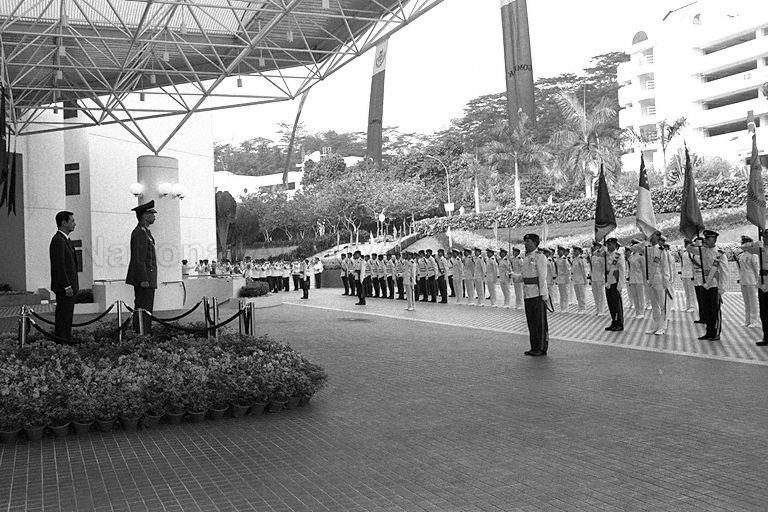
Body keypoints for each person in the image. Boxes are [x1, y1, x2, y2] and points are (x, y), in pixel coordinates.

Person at [509, 233, 549, 356]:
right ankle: (534, 347)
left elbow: (542, 277)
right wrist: (514, 276)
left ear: (535, 243)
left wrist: (543, 294)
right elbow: (524, 277)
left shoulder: (540, 257)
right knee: (531, 322)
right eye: (525, 242)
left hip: (537, 294)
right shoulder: (526, 258)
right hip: (528, 294)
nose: (525, 244)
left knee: (539, 323)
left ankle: (541, 348)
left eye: (528, 242)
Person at [688, 229, 729, 341]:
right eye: (705, 238)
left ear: (714, 239)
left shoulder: (720, 253)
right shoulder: (703, 250)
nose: (705, 240)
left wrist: (722, 288)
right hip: (704, 283)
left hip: (715, 285)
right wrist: (693, 242)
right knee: (706, 309)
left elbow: (725, 272)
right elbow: (689, 248)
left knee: (715, 310)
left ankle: (716, 332)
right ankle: (709, 332)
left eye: (708, 238)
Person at [126, 200, 158, 334]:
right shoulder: (140, 232)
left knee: (147, 309)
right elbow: (139, 258)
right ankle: (141, 335)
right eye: (152, 213)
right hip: (144, 279)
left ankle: (144, 333)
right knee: (143, 308)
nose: (154, 216)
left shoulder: (145, 232)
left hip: (148, 277)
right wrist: (144, 278)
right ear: (144, 215)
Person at [49, 210, 79, 344]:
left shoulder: (66, 240)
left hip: (69, 286)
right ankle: (62, 343)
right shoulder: (58, 240)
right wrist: (66, 286)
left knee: (67, 317)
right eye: (72, 221)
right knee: (63, 317)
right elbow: (59, 266)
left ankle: (66, 341)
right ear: (63, 223)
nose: (74, 224)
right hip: (64, 288)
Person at [740, 233, 768, 345]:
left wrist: (763, 248)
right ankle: (766, 337)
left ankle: (753, 320)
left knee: (757, 304)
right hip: (760, 282)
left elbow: (755, 267)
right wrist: (756, 243)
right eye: (764, 237)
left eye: (767, 237)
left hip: (761, 280)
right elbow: (744, 247)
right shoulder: (759, 248)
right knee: (763, 311)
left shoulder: (761, 251)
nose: (765, 239)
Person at [736, 235, 759, 328]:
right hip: (744, 280)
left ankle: (754, 320)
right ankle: (747, 320)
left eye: (744, 243)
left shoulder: (753, 256)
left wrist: (757, 280)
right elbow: (741, 269)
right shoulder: (741, 255)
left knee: (753, 301)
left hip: (751, 280)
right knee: (746, 301)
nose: (743, 245)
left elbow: (756, 269)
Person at [603, 238, 625, 332]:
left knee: (617, 304)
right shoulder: (606, 255)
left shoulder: (618, 255)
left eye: (610, 244)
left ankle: (619, 323)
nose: (608, 246)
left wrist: (620, 285)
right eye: (607, 244)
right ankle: (614, 321)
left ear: (615, 245)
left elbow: (622, 270)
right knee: (611, 303)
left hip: (615, 282)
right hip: (608, 282)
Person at [626, 239, 646, 318]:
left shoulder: (640, 256)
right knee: (635, 296)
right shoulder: (631, 256)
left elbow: (644, 268)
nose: (632, 248)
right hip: (632, 279)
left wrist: (645, 278)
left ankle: (641, 312)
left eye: (633, 246)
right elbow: (630, 268)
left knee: (640, 296)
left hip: (639, 278)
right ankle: (637, 312)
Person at [679, 239, 697, 314]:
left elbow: (694, 264)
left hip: (690, 274)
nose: (686, 245)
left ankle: (692, 306)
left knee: (691, 291)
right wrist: (681, 273)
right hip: (684, 274)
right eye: (685, 244)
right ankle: (687, 305)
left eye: (687, 244)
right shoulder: (684, 253)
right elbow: (682, 264)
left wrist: (694, 275)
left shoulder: (692, 254)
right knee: (686, 291)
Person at [589, 242, 606, 316]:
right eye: (594, 246)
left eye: (596, 246)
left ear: (599, 247)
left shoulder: (602, 258)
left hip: (600, 278)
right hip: (594, 278)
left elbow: (604, 268)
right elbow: (591, 269)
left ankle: (601, 310)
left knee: (600, 295)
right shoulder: (593, 257)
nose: (594, 248)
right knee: (595, 295)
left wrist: (605, 278)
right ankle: (597, 309)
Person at [571, 246, 589, 313]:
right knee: (578, 295)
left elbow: (584, 270)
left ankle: (583, 308)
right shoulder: (574, 259)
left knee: (582, 295)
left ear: (579, 252)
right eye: (574, 251)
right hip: (575, 280)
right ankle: (580, 308)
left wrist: (585, 280)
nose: (574, 252)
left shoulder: (581, 259)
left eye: (576, 251)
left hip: (581, 280)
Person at [555, 246, 571, 313]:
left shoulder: (564, 259)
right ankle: (562, 307)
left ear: (563, 252)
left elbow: (567, 270)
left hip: (564, 279)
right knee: (561, 294)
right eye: (558, 251)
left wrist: (567, 279)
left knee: (565, 294)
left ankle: (565, 308)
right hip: (559, 279)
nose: (558, 252)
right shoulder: (557, 259)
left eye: (560, 251)